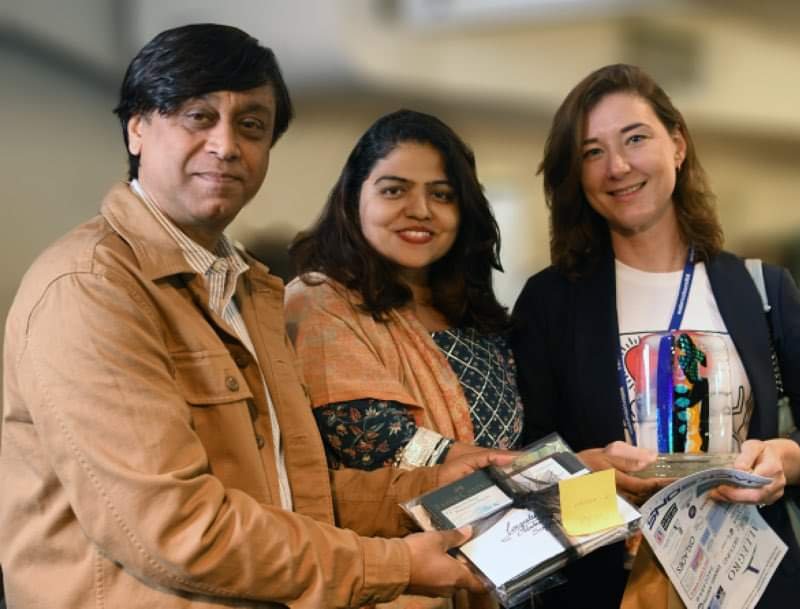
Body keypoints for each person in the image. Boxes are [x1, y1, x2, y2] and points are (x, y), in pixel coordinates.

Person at [0, 24, 504, 609]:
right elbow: (178, 529)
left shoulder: (247, 289)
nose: (226, 145)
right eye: (198, 116)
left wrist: (435, 485)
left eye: (251, 125)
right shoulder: (92, 286)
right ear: (137, 127)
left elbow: (294, 495)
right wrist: (392, 565)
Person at [511, 63, 800, 608]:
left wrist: (785, 458)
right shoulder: (551, 302)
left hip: (752, 584)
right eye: (592, 152)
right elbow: (520, 461)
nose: (618, 166)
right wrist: (589, 473)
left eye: (635, 138)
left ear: (677, 145)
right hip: (611, 588)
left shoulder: (760, 288)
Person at [285, 109, 523, 609]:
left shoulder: (477, 318)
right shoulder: (321, 304)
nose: (420, 210)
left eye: (442, 195)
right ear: (354, 198)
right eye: (394, 190)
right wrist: (546, 474)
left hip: (505, 578)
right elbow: (380, 447)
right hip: (393, 583)